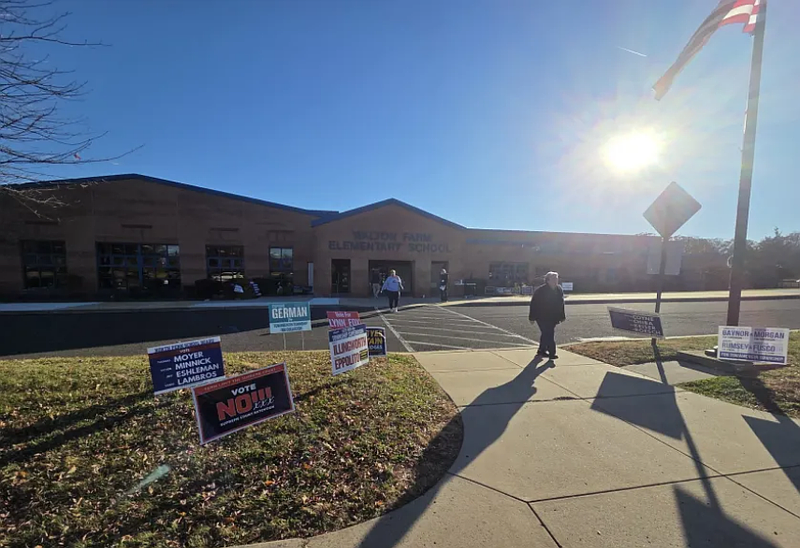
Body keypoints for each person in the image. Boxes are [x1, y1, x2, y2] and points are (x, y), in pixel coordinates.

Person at [528, 271, 566, 359]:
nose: (556, 281)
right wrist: (532, 317)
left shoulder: (559, 289)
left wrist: (562, 316)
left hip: (553, 317)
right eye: (553, 279)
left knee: (546, 334)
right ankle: (552, 353)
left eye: (556, 279)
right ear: (548, 280)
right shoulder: (541, 290)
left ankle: (541, 351)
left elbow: (561, 303)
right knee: (549, 334)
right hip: (542, 317)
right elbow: (534, 304)